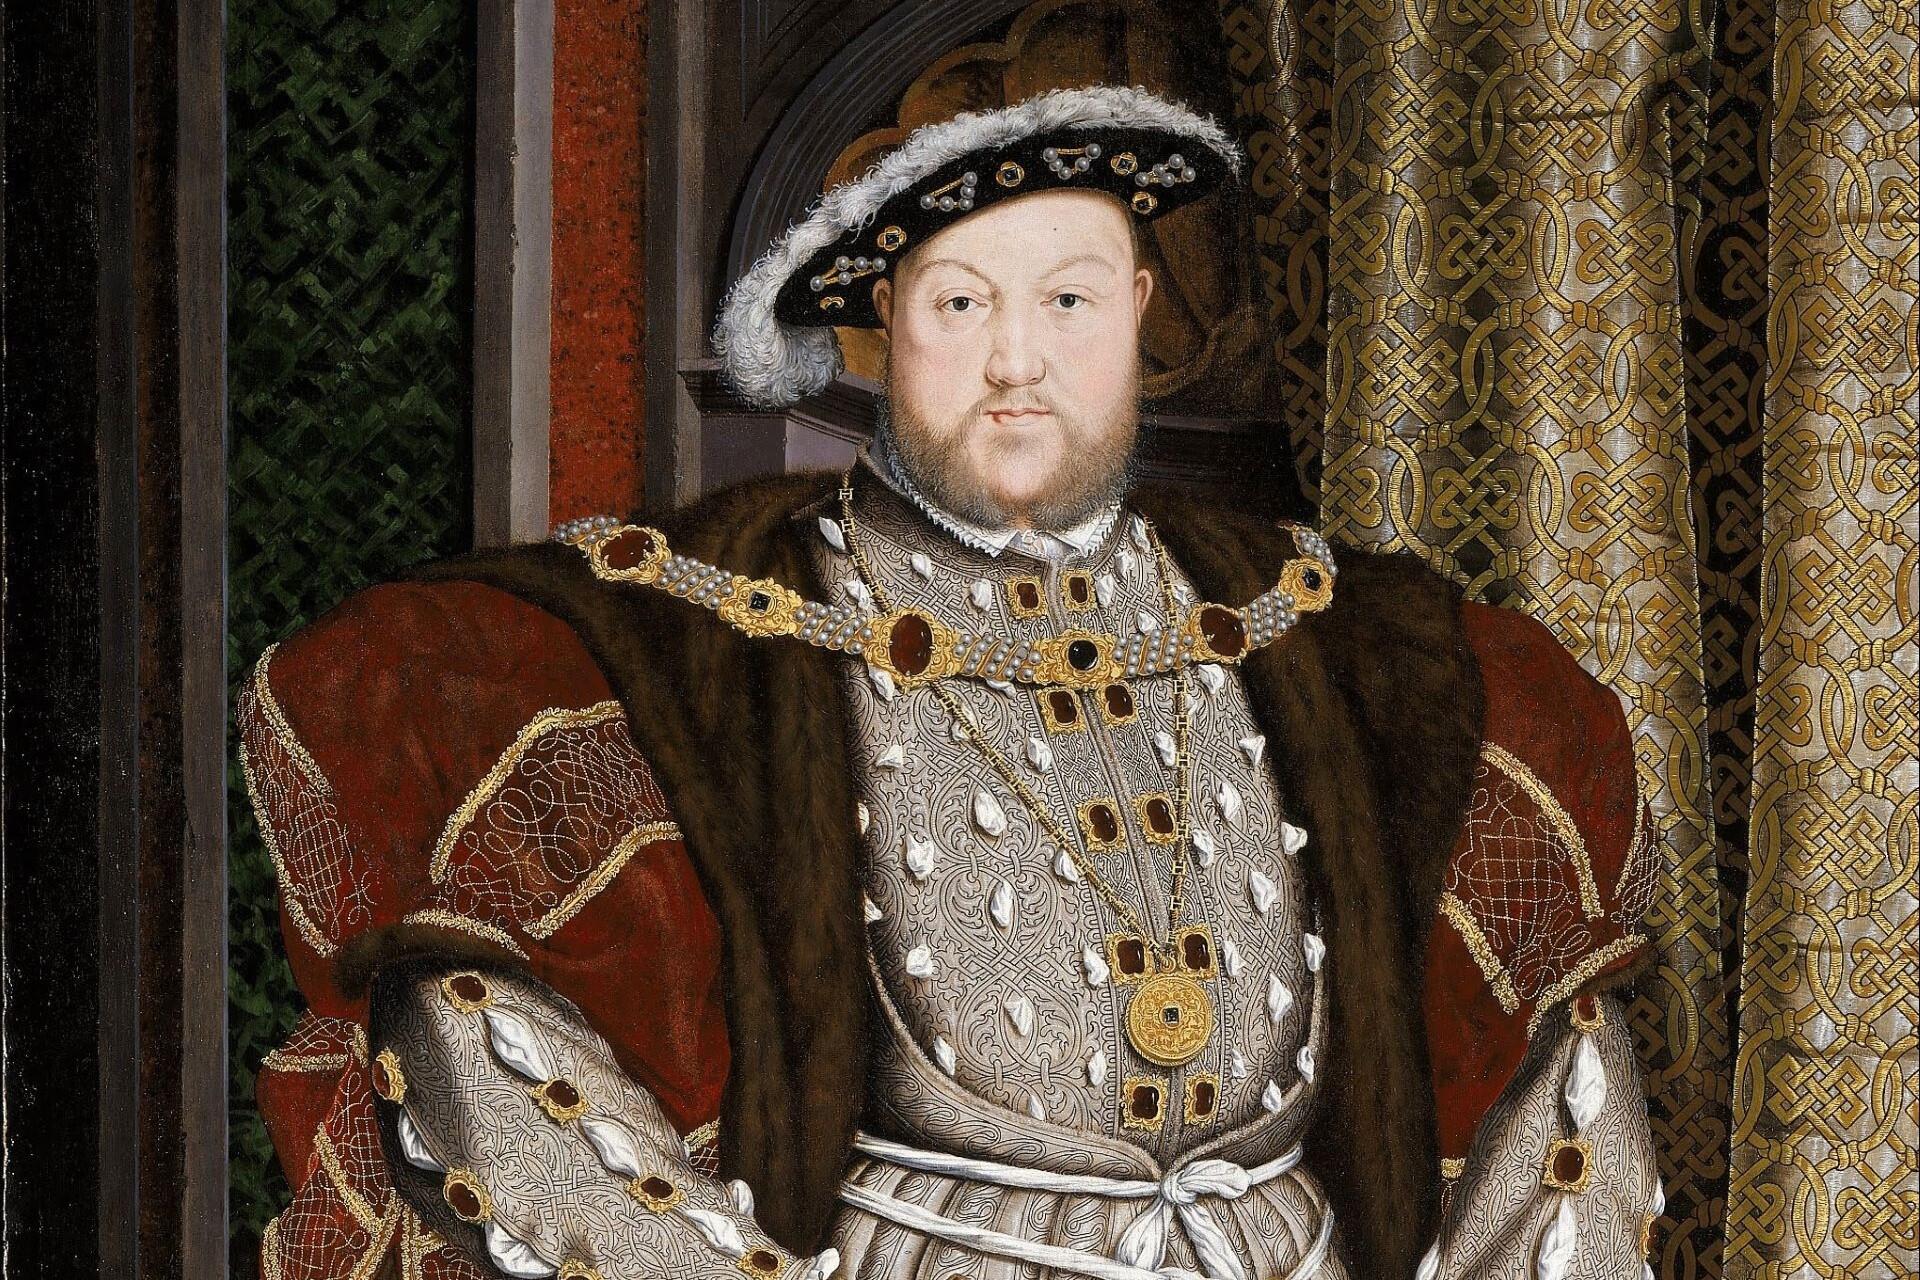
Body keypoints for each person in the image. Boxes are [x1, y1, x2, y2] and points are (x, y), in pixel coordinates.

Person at [243, 86, 1663, 1280]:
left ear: (1145, 311)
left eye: (1068, 299)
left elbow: (1563, 1083)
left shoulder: (1340, 640)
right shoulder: (687, 637)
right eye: (960, 302)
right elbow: (485, 1052)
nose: (1016, 361)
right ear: (874, 329)